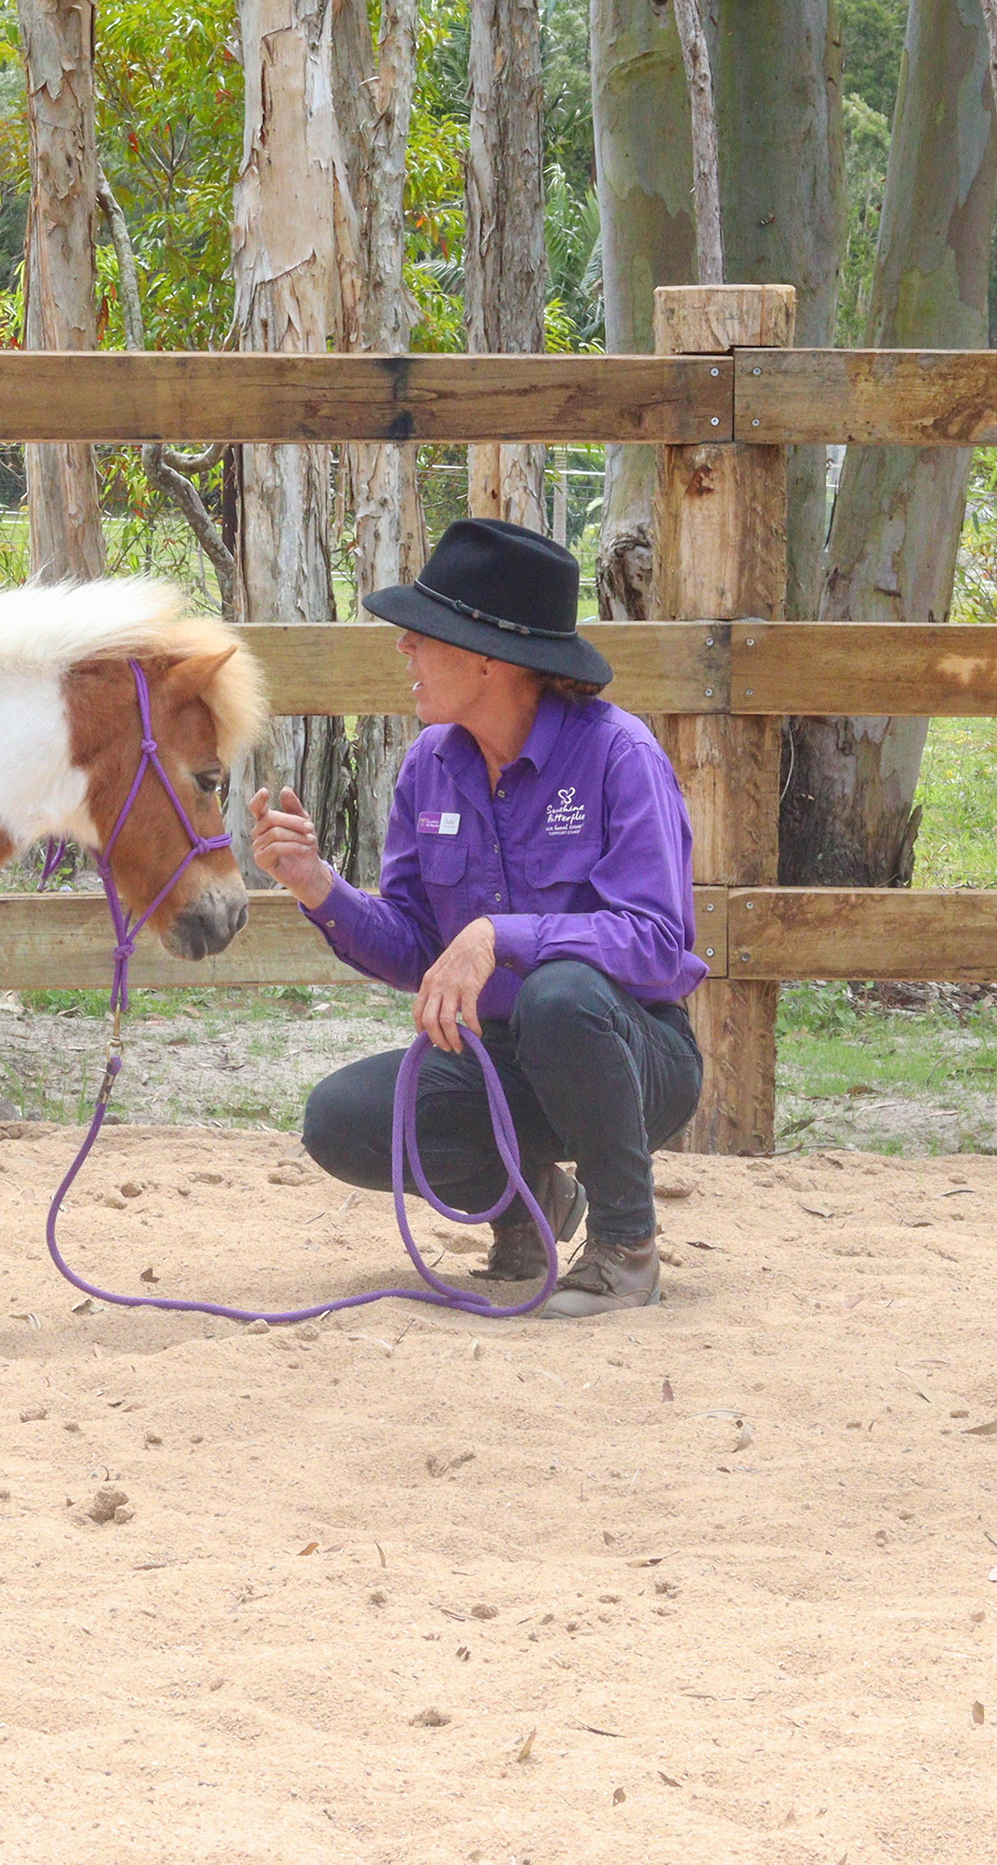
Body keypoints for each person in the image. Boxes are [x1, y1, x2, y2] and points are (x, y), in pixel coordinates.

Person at [247, 517, 706, 1317]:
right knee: (341, 1120)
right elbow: (418, 947)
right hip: (498, 1062)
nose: (403, 650)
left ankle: (625, 1250)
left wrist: (501, 935)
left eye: (423, 635)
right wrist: (318, 885)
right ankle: (527, 1205)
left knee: (559, 996)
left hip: (633, 1060)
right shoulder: (430, 765)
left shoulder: (619, 756)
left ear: (489, 657)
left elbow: (660, 946)